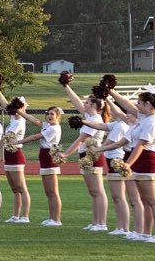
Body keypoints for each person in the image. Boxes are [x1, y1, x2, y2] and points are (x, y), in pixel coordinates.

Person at [108, 88, 155, 243]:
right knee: (145, 200)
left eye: (139, 103)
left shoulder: (153, 121)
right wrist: (111, 91)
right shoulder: (145, 117)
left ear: (148, 104)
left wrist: (128, 164)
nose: (137, 105)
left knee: (153, 200)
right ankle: (145, 233)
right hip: (140, 161)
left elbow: (141, 145)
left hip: (148, 161)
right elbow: (126, 105)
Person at [83, 99, 140, 237]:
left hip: (117, 159)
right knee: (116, 196)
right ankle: (121, 226)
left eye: (114, 110)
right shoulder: (117, 124)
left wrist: (97, 149)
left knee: (120, 196)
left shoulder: (122, 126)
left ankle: (124, 227)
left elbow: (113, 144)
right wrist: (83, 122)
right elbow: (100, 125)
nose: (112, 112)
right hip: (112, 160)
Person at [58, 80, 110, 231]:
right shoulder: (89, 117)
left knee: (98, 191)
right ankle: (95, 222)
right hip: (85, 156)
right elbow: (76, 102)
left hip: (92, 156)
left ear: (94, 105)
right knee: (92, 192)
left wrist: (66, 153)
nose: (84, 104)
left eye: (87, 102)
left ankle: (102, 223)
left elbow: (81, 139)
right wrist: (66, 86)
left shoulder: (95, 120)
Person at [15, 105, 64, 227]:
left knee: (53, 192)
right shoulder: (48, 126)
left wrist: (18, 141)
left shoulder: (54, 129)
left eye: (52, 114)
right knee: (48, 192)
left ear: (57, 116)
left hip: (50, 158)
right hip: (44, 157)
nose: (49, 116)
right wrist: (19, 111)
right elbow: (33, 120)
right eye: (48, 113)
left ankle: (56, 219)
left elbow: (35, 137)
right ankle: (51, 218)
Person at [0, 85, 30, 223]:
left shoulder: (19, 122)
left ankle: (25, 216)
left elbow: (5, 138)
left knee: (21, 187)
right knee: (14, 188)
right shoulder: (14, 118)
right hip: (8, 153)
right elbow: (4, 103)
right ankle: (15, 216)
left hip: (16, 154)